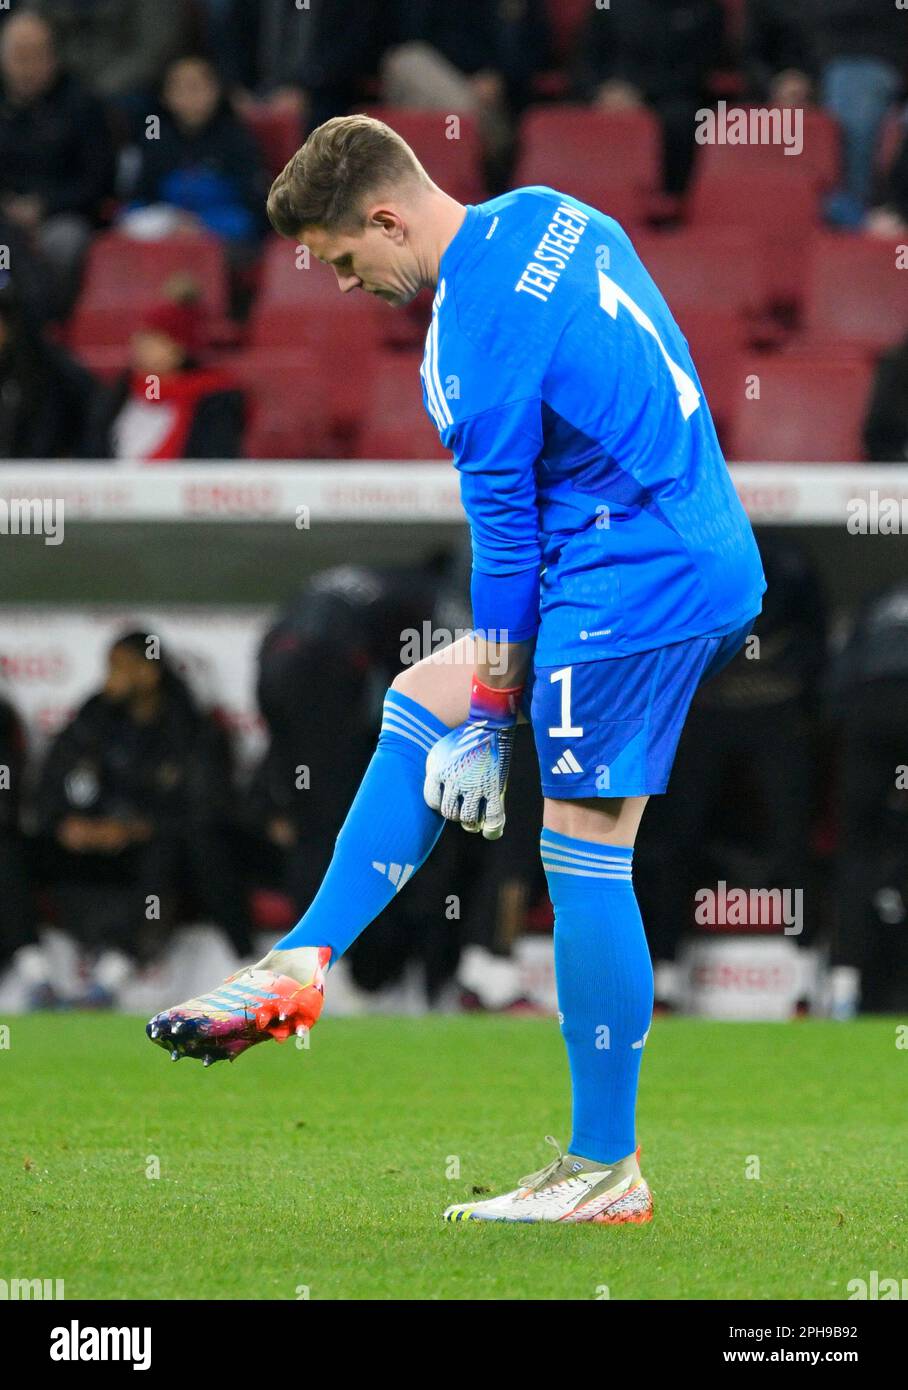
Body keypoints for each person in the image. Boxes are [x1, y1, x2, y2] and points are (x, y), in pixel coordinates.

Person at [148, 115, 766, 1226]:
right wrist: (467, 705)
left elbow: (505, 549)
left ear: (384, 217)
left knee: (580, 847)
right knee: (411, 703)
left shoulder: (469, 344)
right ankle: (300, 958)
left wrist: (492, 714)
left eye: (343, 259)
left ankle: (601, 1169)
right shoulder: (548, 213)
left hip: (633, 574)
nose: (344, 285)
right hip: (676, 539)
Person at [34, 631, 254, 1006]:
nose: (110, 679)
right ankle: (33, 971)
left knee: (179, 850)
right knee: (19, 848)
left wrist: (136, 828)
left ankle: (117, 968)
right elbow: (54, 787)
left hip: (150, 847)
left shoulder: (190, 728)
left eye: (120, 668)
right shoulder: (92, 719)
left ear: (149, 673)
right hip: (90, 846)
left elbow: (205, 808)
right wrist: (66, 824)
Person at [0, 12, 115, 316]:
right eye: (18, 56)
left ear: (52, 57)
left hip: (63, 215)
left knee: (63, 243)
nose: (26, 67)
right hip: (5, 215)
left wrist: (43, 207)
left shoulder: (82, 104)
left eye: (34, 55)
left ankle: (45, 326)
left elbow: (100, 181)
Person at [125, 55, 269, 257]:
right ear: (165, 96)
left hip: (223, 240)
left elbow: (257, 211)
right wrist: (171, 224)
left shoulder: (237, 138)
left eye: (196, 87)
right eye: (179, 88)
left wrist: (203, 225)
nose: (189, 96)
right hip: (165, 238)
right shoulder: (155, 139)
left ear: (215, 91)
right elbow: (136, 203)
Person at [83, 282, 245, 461]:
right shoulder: (122, 392)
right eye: (142, 337)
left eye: (155, 340)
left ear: (179, 348)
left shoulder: (213, 399)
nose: (141, 346)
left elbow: (215, 457)